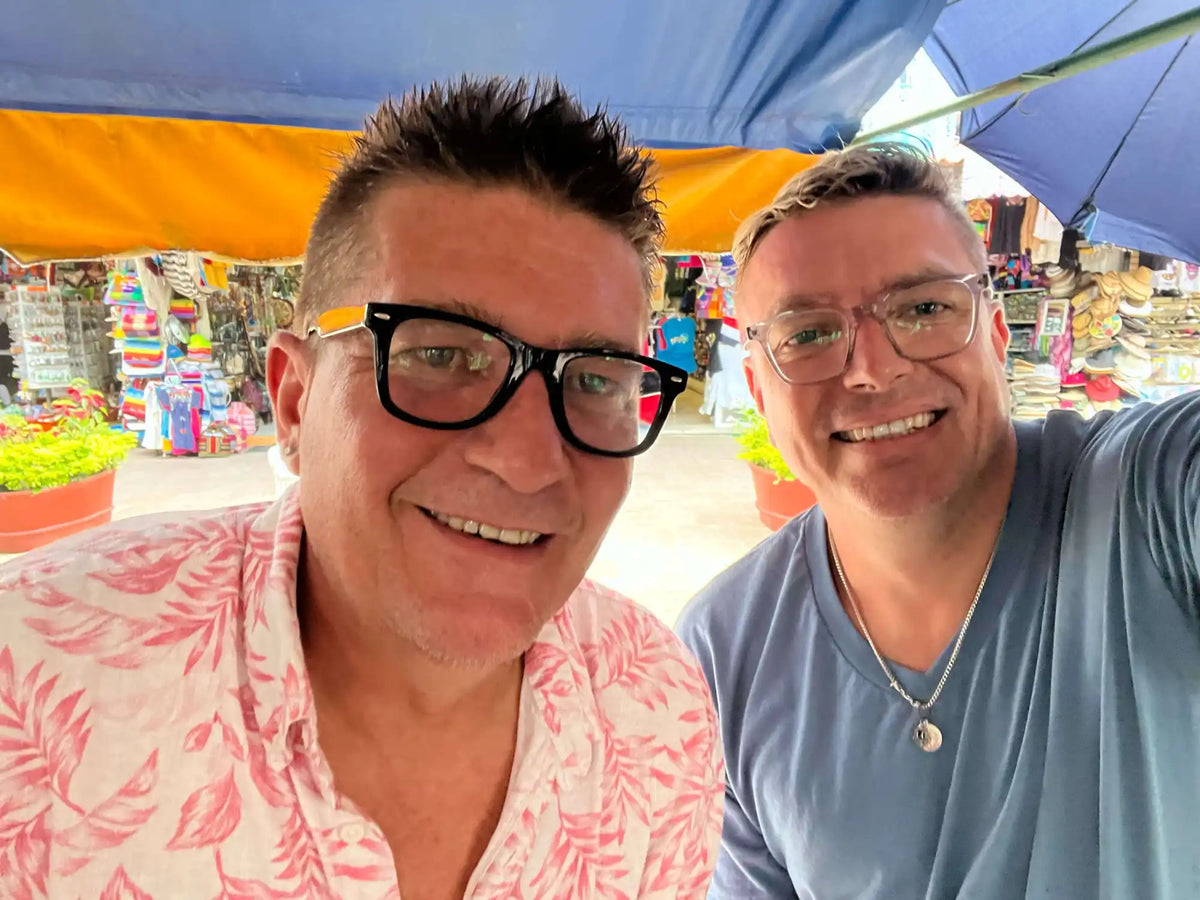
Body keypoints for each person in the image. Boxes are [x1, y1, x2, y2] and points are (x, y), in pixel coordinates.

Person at [0, 77, 723, 899]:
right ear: (295, 401)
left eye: (595, 380)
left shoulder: (659, 706)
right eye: (441, 355)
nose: (527, 461)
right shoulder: (30, 680)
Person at [675, 143, 1200, 898]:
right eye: (810, 334)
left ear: (994, 334)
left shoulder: (1146, 500)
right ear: (758, 389)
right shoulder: (722, 654)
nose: (873, 368)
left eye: (924, 309)